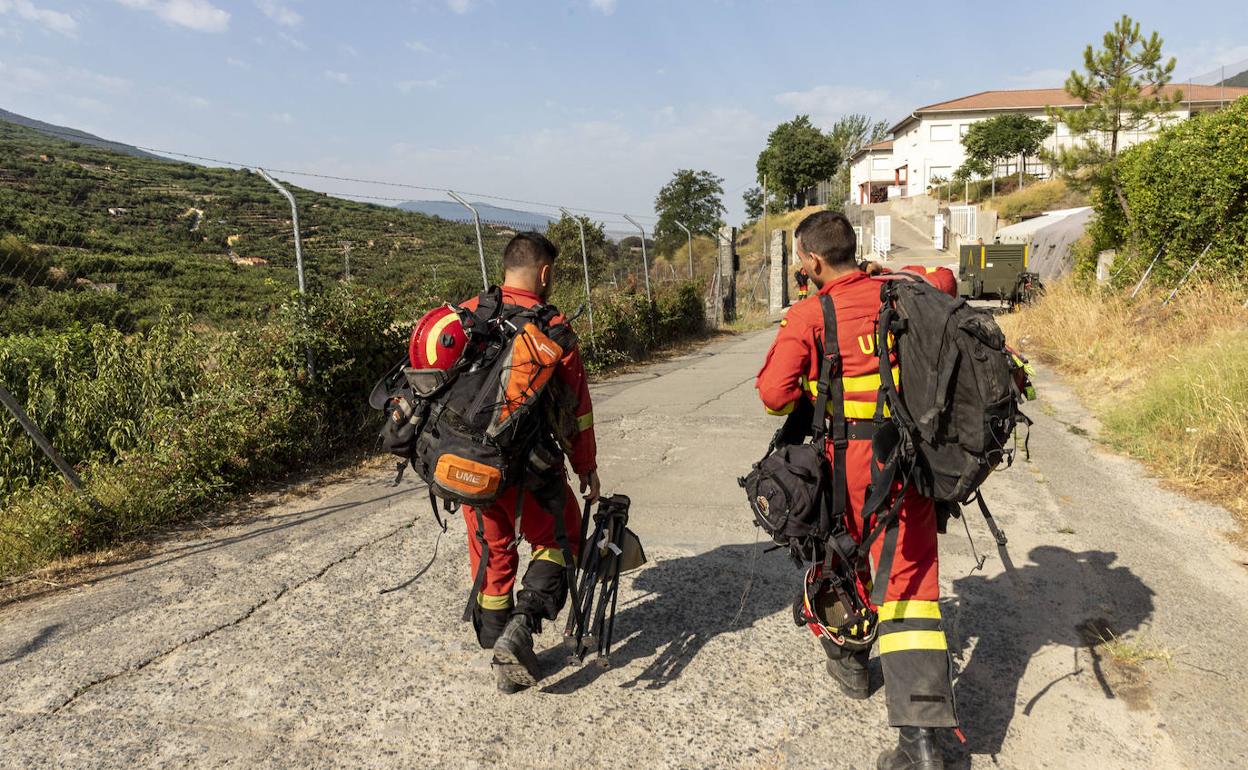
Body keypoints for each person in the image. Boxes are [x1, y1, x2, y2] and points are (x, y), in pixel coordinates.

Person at [757, 212, 956, 769]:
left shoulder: (810, 313)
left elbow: (773, 396)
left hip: (845, 469)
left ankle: (849, 664)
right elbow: (944, 280)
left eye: (802, 259)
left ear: (813, 261)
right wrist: (882, 272)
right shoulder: (902, 290)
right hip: (907, 467)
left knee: (836, 560)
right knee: (910, 593)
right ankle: (920, 741)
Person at [457, 232, 601, 693]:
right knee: (562, 538)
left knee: (493, 551)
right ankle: (524, 625)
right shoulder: (552, 325)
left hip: (474, 465)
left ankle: (496, 644)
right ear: (543, 273)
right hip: (536, 466)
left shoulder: (465, 315)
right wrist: (586, 468)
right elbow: (578, 410)